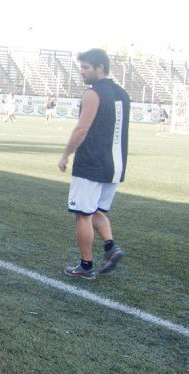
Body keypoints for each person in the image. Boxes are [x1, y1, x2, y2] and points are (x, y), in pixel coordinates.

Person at [58, 48, 129, 279]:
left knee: (82, 214)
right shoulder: (122, 93)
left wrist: (66, 154)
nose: (82, 72)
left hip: (91, 163)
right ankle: (110, 247)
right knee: (95, 210)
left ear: (101, 68)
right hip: (115, 165)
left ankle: (85, 266)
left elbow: (81, 129)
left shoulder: (92, 93)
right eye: (81, 67)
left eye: (86, 67)